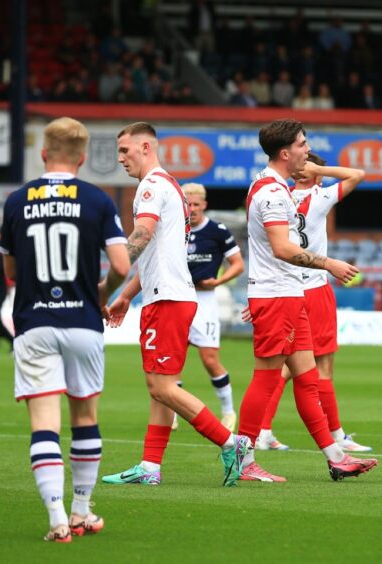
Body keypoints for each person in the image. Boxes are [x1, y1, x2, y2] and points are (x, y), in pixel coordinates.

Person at [0, 117, 130, 541]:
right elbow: (123, 267)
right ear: (83, 157)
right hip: (83, 323)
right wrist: (100, 291)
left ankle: (56, 519)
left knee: (44, 423)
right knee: (85, 417)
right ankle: (81, 510)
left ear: (43, 155)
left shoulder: (17, 201)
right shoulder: (97, 199)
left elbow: (12, 270)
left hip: (34, 322)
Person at [101, 122, 250, 487]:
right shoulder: (170, 187)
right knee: (158, 386)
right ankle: (150, 467)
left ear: (147, 147)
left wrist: (111, 279)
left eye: (125, 151)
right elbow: (155, 251)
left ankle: (232, 443)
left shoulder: (151, 186)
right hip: (165, 295)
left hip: (168, 299)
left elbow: (142, 235)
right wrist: (126, 296)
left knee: (164, 388)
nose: (120, 158)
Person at [236, 118, 377, 481]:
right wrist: (328, 262)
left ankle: (335, 457)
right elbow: (282, 248)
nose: (306, 150)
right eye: (302, 144)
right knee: (267, 378)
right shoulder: (271, 192)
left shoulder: (272, 186)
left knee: (307, 377)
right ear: (286, 153)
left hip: (290, 293)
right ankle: (242, 458)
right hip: (278, 295)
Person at [253, 152, 371, 453]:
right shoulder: (320, 196)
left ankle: (264, 430)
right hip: (315, 287)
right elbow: (357, 174)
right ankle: (336, 436)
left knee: (285, 366)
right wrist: (322, 169)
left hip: (286, 287)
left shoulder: (282, 196)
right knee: (321, 366)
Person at [177, 183, 244, 432]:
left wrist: (218, 281)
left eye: (196, 204)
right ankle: (173, 411)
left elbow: (237, 264)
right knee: (174, 358)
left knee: (209, 358)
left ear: (204, 205)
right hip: (177, 299)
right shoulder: (174, 228)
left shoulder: (217, 230)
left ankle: (228, 411)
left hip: (204, 301)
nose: (191, 209)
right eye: (188, 204)